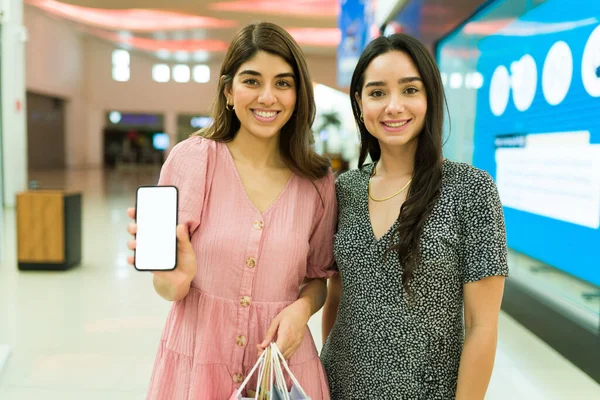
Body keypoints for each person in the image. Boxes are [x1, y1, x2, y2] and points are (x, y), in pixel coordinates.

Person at [126, 22, 336, 400]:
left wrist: (302, 310)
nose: (267, 97)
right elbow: (166, 286)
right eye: (252, 81)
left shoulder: (316, 181)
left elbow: (318, 277)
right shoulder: (193, 160)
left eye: (283, 83)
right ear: (228, 92)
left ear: (298, 94)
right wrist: (176, 277)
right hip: (197, 363)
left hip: (283, 369)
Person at [320, 33, 509, 400]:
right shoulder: (346, 188)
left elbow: (481, 325)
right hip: (339, 384)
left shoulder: (470, 189)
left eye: (409, 90)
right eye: (377, 93)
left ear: (430, 97)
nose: (393, 106)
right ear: (359, 104)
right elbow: (337, 296)